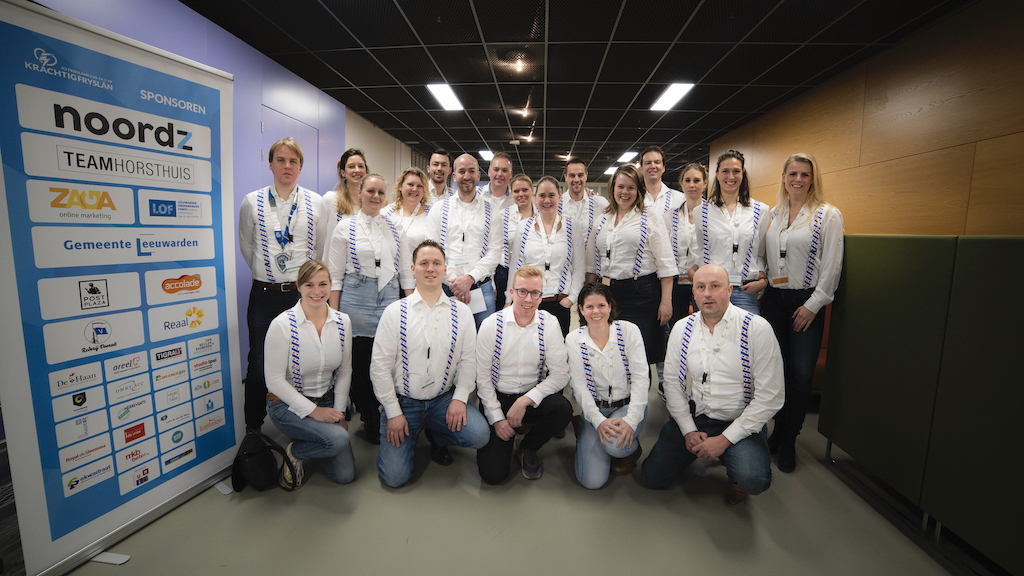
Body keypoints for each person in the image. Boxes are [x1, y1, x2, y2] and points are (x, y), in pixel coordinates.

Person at [641, 265, 783, 504]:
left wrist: (725, 440)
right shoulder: (682, 328)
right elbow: (672, 383)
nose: (707, 294)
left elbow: (771, 396)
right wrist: (688, 429)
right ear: (693, 293)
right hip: (697, 417)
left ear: (729, 290)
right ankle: (700, 450)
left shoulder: (756, 329)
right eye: (700, 287)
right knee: (652, 477)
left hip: (739, 419)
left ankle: (733, 458)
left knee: (752, 479)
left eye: (715, 286)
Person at [370, 240, 490, 488]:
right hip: (404, 403)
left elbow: (469, 361)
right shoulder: (394, 312)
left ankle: (437, 434)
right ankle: (409, 435)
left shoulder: (462, 313)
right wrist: (393, 412)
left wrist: (460, 398)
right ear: (413, 269)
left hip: (442, 400)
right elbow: (379, 368)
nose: (430, 268)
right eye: (424, 263)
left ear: (445, 269)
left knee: (480, 435)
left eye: (436, 263)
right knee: (394, 478)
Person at [238, 137, 328, 432]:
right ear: (270, 164)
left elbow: (320, 248)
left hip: (303, 296)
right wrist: (269, 274)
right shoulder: (252, 201)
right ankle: (254, 429)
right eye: (281, 160)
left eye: (293, 161)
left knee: (304, 360)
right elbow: (247, 247)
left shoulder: (316, 203)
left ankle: (303, 424)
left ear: (300, 167)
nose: (287, 166)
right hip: (265, 294)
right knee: (258, 363)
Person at [762, 153, 844, 473]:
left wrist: (814, 304)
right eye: (792, 173)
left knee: (801, 374)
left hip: (806, 301)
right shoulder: (775, 213)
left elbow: (833, 264)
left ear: (812, 179)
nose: (798, 179)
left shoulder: (827, 215)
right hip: (774, 300)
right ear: (783, 177)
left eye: (804, 174)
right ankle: (778, 430)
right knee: (777, 372)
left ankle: (790, 439)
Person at [475, 266, 571, 483]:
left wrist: (525, 400)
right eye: (522, 291)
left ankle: (528, 447)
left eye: (535, 293)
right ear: (511, 293)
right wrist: (497, 419)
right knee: (493, 476)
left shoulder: (549, 323)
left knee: (562, 409)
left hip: (531, 395)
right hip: (498, 396)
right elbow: (482, 378)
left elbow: (561, 374)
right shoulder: (491, 325)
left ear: (541, 296)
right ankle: (506, 436)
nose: (528, 299)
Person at [264, 260, 354, 489]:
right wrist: (314, 412)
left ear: (330, 285)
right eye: (309, 285)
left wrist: (339, 413)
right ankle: (295, 452)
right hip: (286, 405)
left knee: (345, 475)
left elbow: (345, 370)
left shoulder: (342, 322)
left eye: (323, 284)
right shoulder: (282, 325)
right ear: (299, 286)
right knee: (338, 439)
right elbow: (274, 381)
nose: (317, 291)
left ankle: (306, 441)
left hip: (327, 400)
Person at [326, 174, 401, 443]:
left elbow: (405, 271)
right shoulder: (344, 227)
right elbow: (335, 276)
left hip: (389, 293)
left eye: (381, 192)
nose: (375, 196)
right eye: (370, 191)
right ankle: (369, 413)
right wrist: (334, 316)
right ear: (359, 193)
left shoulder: (395, 226)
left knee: (387, 357)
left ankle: (386, 408)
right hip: (356, 295)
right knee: (359, 359)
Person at [586, 164, 678, 366]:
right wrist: (587, 296)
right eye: (620, 186)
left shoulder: (650, 216)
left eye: (631, 187)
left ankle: (640, 389)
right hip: (606, 292)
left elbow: (666, 264)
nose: (625, 192)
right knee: (611, 352)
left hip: (641, 294)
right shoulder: (602, 219)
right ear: (613, 188)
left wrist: (666, 301)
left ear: (639, 190)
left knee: (639, 356)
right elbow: (592, 265)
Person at [566, 283, 649, 489]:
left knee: (615, 446)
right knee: (592, 482)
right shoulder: (573, 340)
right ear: (581, 310)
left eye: (601, 305)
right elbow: (579, 386)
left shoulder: (629, 331)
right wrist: (597, 420)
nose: (596, 312)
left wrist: (631, 420)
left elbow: (641, 378)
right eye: (590, 307)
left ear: (610, 307)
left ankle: (629, 451)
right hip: (595, 408)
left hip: (626, 406)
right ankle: (586, 429)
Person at [426, 154, 502, 328]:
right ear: (454, 176)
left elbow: (495, 251)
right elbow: (432, 251)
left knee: (483, 338)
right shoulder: (439, 209)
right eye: (461, 171)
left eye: (471, 171)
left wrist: (470, 278)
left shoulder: (492, 209)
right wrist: (454, 281)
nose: (466, 176)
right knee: (445, 337)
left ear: (478, 175)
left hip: (481, 287)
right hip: (446, 287)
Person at [695, 149, 769, 315]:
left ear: (743, 174)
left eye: (736, 171)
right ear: (717, 174)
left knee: (748, 331)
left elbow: (759, 253)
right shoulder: (701, 212)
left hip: (745, 289)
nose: (730, 176)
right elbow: (700, 251)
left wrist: (762, 281)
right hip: (712, 290)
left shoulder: (761, 210)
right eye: (725, 171)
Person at [509, 175, 585, 336]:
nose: (547, 200)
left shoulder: (572, 227)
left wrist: (572, 298)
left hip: (560, 301)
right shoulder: (524, 227)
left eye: (551, 195)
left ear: (559, 197)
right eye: (542, 195)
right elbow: (515, 266)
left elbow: (579, 266)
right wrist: (510, 300)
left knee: (557, 349)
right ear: (535, 198)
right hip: (529, 302)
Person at [382, 167, 432, 296]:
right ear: (400, 186)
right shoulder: (385, 214)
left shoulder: (431, 215)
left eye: (419, 186)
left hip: (419, 282)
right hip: (389, 281)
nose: (414, 189)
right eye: (410, 184)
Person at [670, 162, 708, 324]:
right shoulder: (670, 216)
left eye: (696, 180)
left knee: (704, 324)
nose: (692, 185)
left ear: (705, 183)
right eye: (687, 180)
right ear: (681, 183)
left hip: (704, 280)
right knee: (677, 326)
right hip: (676, 281)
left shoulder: (713, 214)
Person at [495, 173, 536, 310]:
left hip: (534, 274)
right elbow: (495, 247)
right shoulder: (502, 216)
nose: (521, 194)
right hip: (506, 275)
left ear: (532, 191)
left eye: (525, 190)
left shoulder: (542, 215)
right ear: (511, 193)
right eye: (516, 191)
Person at [321, 148, 368, 249]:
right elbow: (320, 238)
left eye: (361, 166)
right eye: (351, 166)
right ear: (343, 173)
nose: (357, 170)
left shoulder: (370, 204)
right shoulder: (331, 200)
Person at [560, 157, 608, 240]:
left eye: (580, 175)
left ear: (586, 176)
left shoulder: (600, 203)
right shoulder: (557, 204)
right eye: (572, 175)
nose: (576, 179)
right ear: (566, 177)